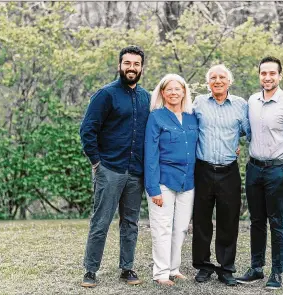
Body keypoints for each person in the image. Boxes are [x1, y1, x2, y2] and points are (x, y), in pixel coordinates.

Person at [79, 45, 150, 288]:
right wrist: (96, 162)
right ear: (119, 65)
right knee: (101, 221)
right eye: (127, 63)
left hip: (135, 172)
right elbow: (87, 130)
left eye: (136, 64)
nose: (132, 68)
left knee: (130, 223)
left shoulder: (146, 97)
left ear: (142, 68)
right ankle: (90, 270)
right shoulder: (106, 94)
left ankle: (127, 268)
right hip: (109, 168)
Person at [235, 56, 283, 289]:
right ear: (259, 75)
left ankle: (277, 272)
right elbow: (246, 130)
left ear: (280, 76)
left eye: (272, 73)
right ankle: (256, 268)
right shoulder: (252, 101)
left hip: (279, 170)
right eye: (263, 73)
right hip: (254, 168)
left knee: (277, 222)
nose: (267, 77)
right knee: (256, 221)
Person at [192, 64, 250, 286]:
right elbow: (188, 128)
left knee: (228, 220)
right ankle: (203, 266)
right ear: (208, 82)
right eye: (213, 77)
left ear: (229, 81)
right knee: (201, 220)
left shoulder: (240, 105)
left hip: (229, 171)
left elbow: (246, 130)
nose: (217, 80)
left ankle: (226, 269)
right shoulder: (198, 104)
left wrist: (234, 143)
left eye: (222, 77)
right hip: (203, 169)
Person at [144, 74, 198, 286]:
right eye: (170, 89)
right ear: (163, 93)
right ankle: (161, 273)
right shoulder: (156, 117)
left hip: (188, 182)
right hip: (163, 181)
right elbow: (150, 154)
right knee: (162, 227)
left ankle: (174, 268)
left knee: (181, 227)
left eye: (178, 89)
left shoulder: (192, 117)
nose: (174, 92)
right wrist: (153, 188)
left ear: (184, 92)